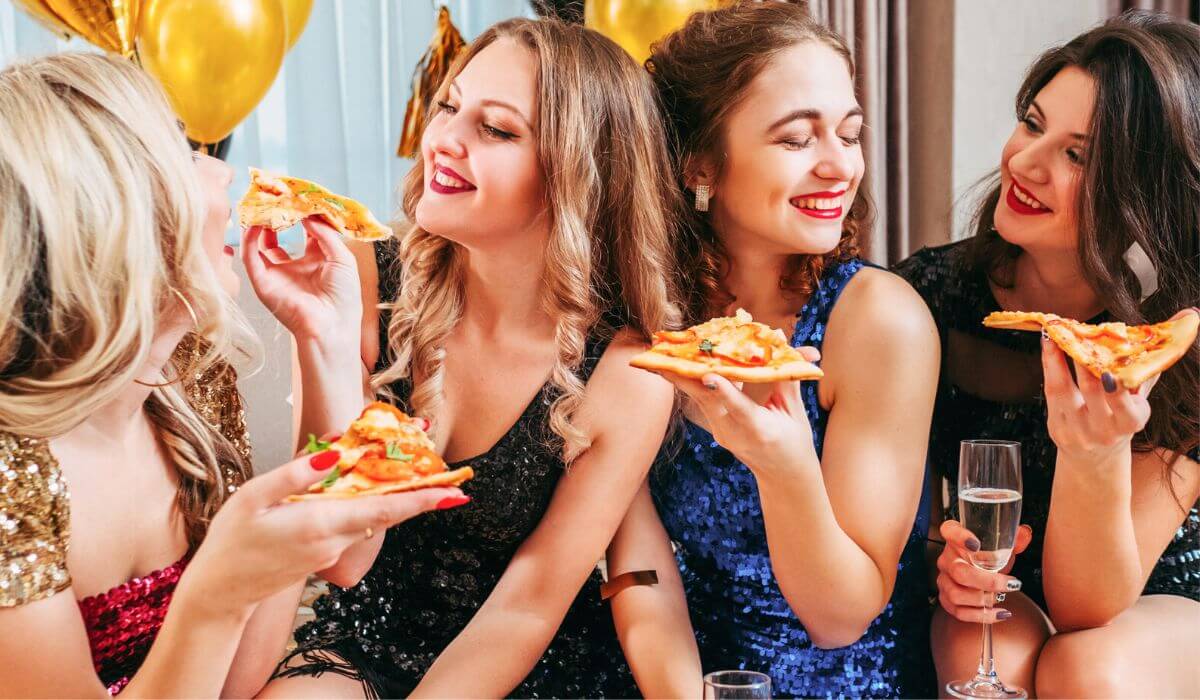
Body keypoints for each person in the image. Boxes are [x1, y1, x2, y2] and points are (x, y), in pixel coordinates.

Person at [0, 53, 462, 697]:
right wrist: (216, 593)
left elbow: (241, 677)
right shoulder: (8, 478)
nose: (220, 169)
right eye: (184, 154)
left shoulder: (189, 382)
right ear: (113, 220)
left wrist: (324, 334)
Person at [251, 16, 683, 698]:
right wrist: (324, 340)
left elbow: (529, 603)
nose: (443, 141)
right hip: (363, 636)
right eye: (449, 106)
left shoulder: (629, 371)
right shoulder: (368, 278)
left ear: (573, 175)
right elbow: (341, 558)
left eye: (497, 129)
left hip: (529, 667)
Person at [608, 2, 940, 697]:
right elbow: (636, 567)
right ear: (699, 162)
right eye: (797, 140)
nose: (839, 167)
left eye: (849, 135)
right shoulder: (641, 319)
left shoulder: (878, 322)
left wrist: (785, 466)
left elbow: (841, 617)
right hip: (663, 674)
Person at [894, 11, 1200, 696]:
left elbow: (1089, 610)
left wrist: (1094, 452)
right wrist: (946, 559)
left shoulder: (1172, 338)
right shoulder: (928, 297)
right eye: (1034, 124)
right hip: (1004, 592)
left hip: (1160, 603)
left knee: (1084, 668)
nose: (1024, 163)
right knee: (983, 650)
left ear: (1145, 196)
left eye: (1077, 155)